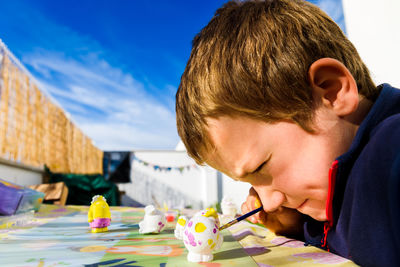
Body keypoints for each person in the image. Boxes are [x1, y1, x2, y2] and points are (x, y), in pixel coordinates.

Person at [175, 0, 400, 266]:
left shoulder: (389, 154)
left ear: (331, 92)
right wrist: (296, 226)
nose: (268, 204)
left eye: (261, 166)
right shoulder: (332, 182)